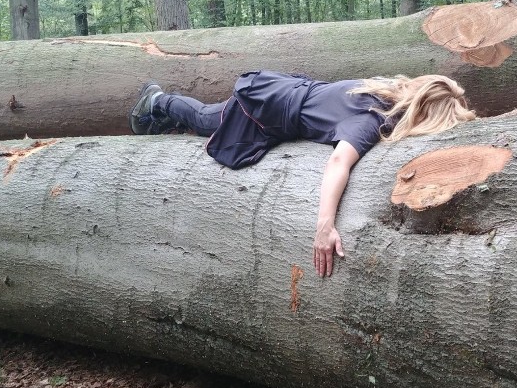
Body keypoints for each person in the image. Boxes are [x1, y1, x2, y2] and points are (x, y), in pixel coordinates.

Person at [129, 70, 475, 277]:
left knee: (210, 118)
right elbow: (339, 162)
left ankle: (163, 110)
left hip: (290, 92)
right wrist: (324, 227)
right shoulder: (373, 118)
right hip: (272, 108)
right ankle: (157, 101)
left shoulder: (387, 89)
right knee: (207, 119)